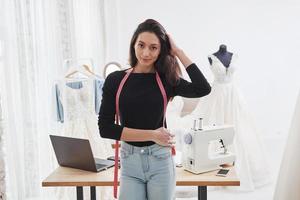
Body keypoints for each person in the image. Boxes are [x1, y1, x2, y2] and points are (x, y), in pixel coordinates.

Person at [98, 19, 211, 200]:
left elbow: (203, 88)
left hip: (160, 161)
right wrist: (152, 134)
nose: (146, 53)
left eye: (153, 47)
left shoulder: (167, 80)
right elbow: (105, 128)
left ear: (161, 50)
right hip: (129, 163)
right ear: (133, 45)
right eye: (141, 45)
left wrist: (178, 51)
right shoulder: (115, 80)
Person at [181, 45, 271, 191]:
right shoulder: (211, 57)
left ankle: (240, 168)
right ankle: (215, 165)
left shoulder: (234, 55)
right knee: (215, 125)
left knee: (240, 129)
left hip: (233, 95)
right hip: (217, 95)